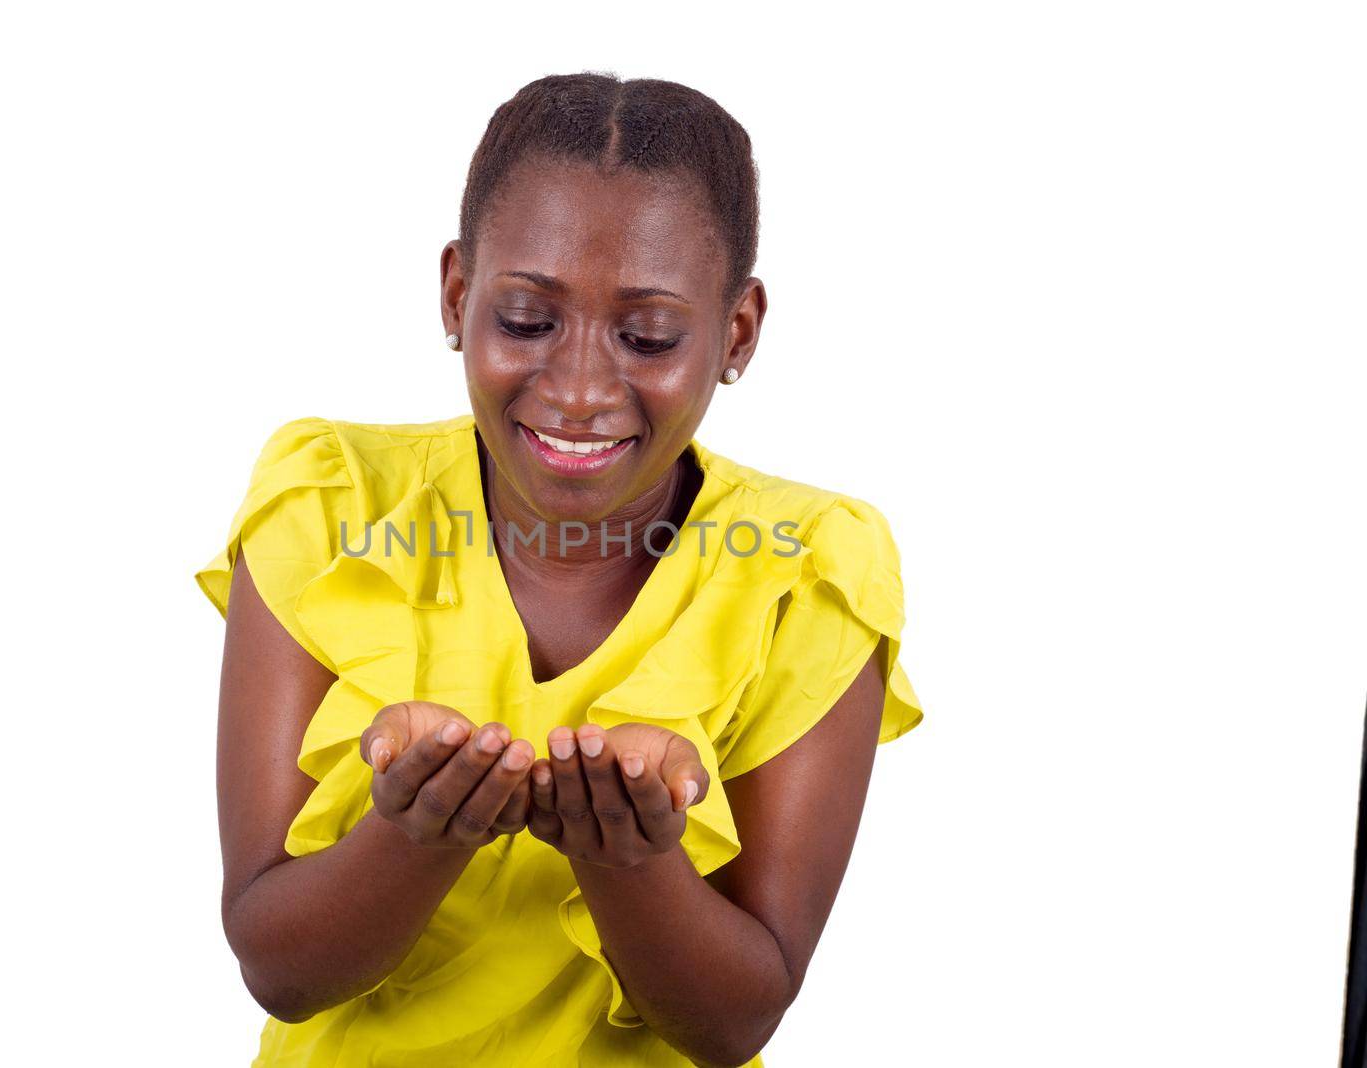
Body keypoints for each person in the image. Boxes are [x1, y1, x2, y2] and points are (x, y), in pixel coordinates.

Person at [196, 72, 925, 1068]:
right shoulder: (328, 503)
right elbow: (277, 962)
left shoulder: (810, 569)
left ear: (736, 333)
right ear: (457, 295)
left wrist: (627, 858)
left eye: (647, 336)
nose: (580, 388)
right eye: (528, 321)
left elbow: (736, 1018)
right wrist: (418, 834)